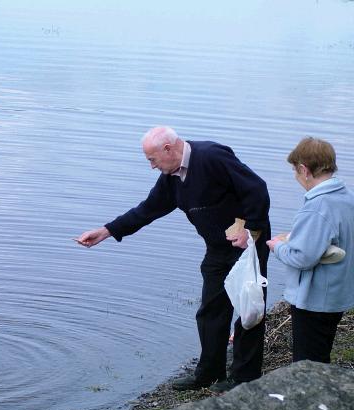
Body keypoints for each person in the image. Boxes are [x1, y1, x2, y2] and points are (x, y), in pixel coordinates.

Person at [75, 126, 270, 392]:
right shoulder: (172, 176)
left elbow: (256, 189)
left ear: (168, 149)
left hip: (247, 242)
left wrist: (252, 230)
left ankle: (244, 378)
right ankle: (209, 373)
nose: (152, 167)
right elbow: (148, 209)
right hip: (217, 246)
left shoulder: (212, 157)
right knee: (210, 310)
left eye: (152, 159)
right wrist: (107, 231)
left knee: (249, 308)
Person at [266, 137, 354, 363]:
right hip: (337, 293)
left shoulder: (317, 206)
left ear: (304, 170)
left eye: (295, 171)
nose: (296, 177)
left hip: (316, 299)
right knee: (321, 354)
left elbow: (302, 257)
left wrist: (278, 247)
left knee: (307, 364)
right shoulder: (346, 197)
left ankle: (315, 398)